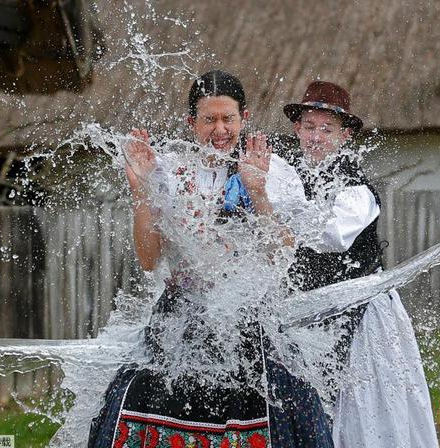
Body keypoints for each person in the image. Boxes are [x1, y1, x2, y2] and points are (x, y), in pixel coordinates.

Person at [88, 70, 333, 448]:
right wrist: (141, 191)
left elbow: (283, 255)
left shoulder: (272, 170)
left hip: (246, 316)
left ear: (243, 118)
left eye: (228, 119)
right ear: (192, 123)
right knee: (129, 400)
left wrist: (258, 191)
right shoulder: (168, 170)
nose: (220, 130)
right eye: (209, 119)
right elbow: (150, 260)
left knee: (286, 408)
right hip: (180, 318)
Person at [275, 81, 439, 448]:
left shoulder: (356, 187)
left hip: (362, 312)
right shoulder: (288, 179)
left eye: (327, 129)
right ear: (297, 129)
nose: (316, 137)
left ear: (345, 135)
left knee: (366, 410)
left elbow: (333, 237)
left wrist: (278, 217)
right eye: (309, 126)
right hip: (311, 313)